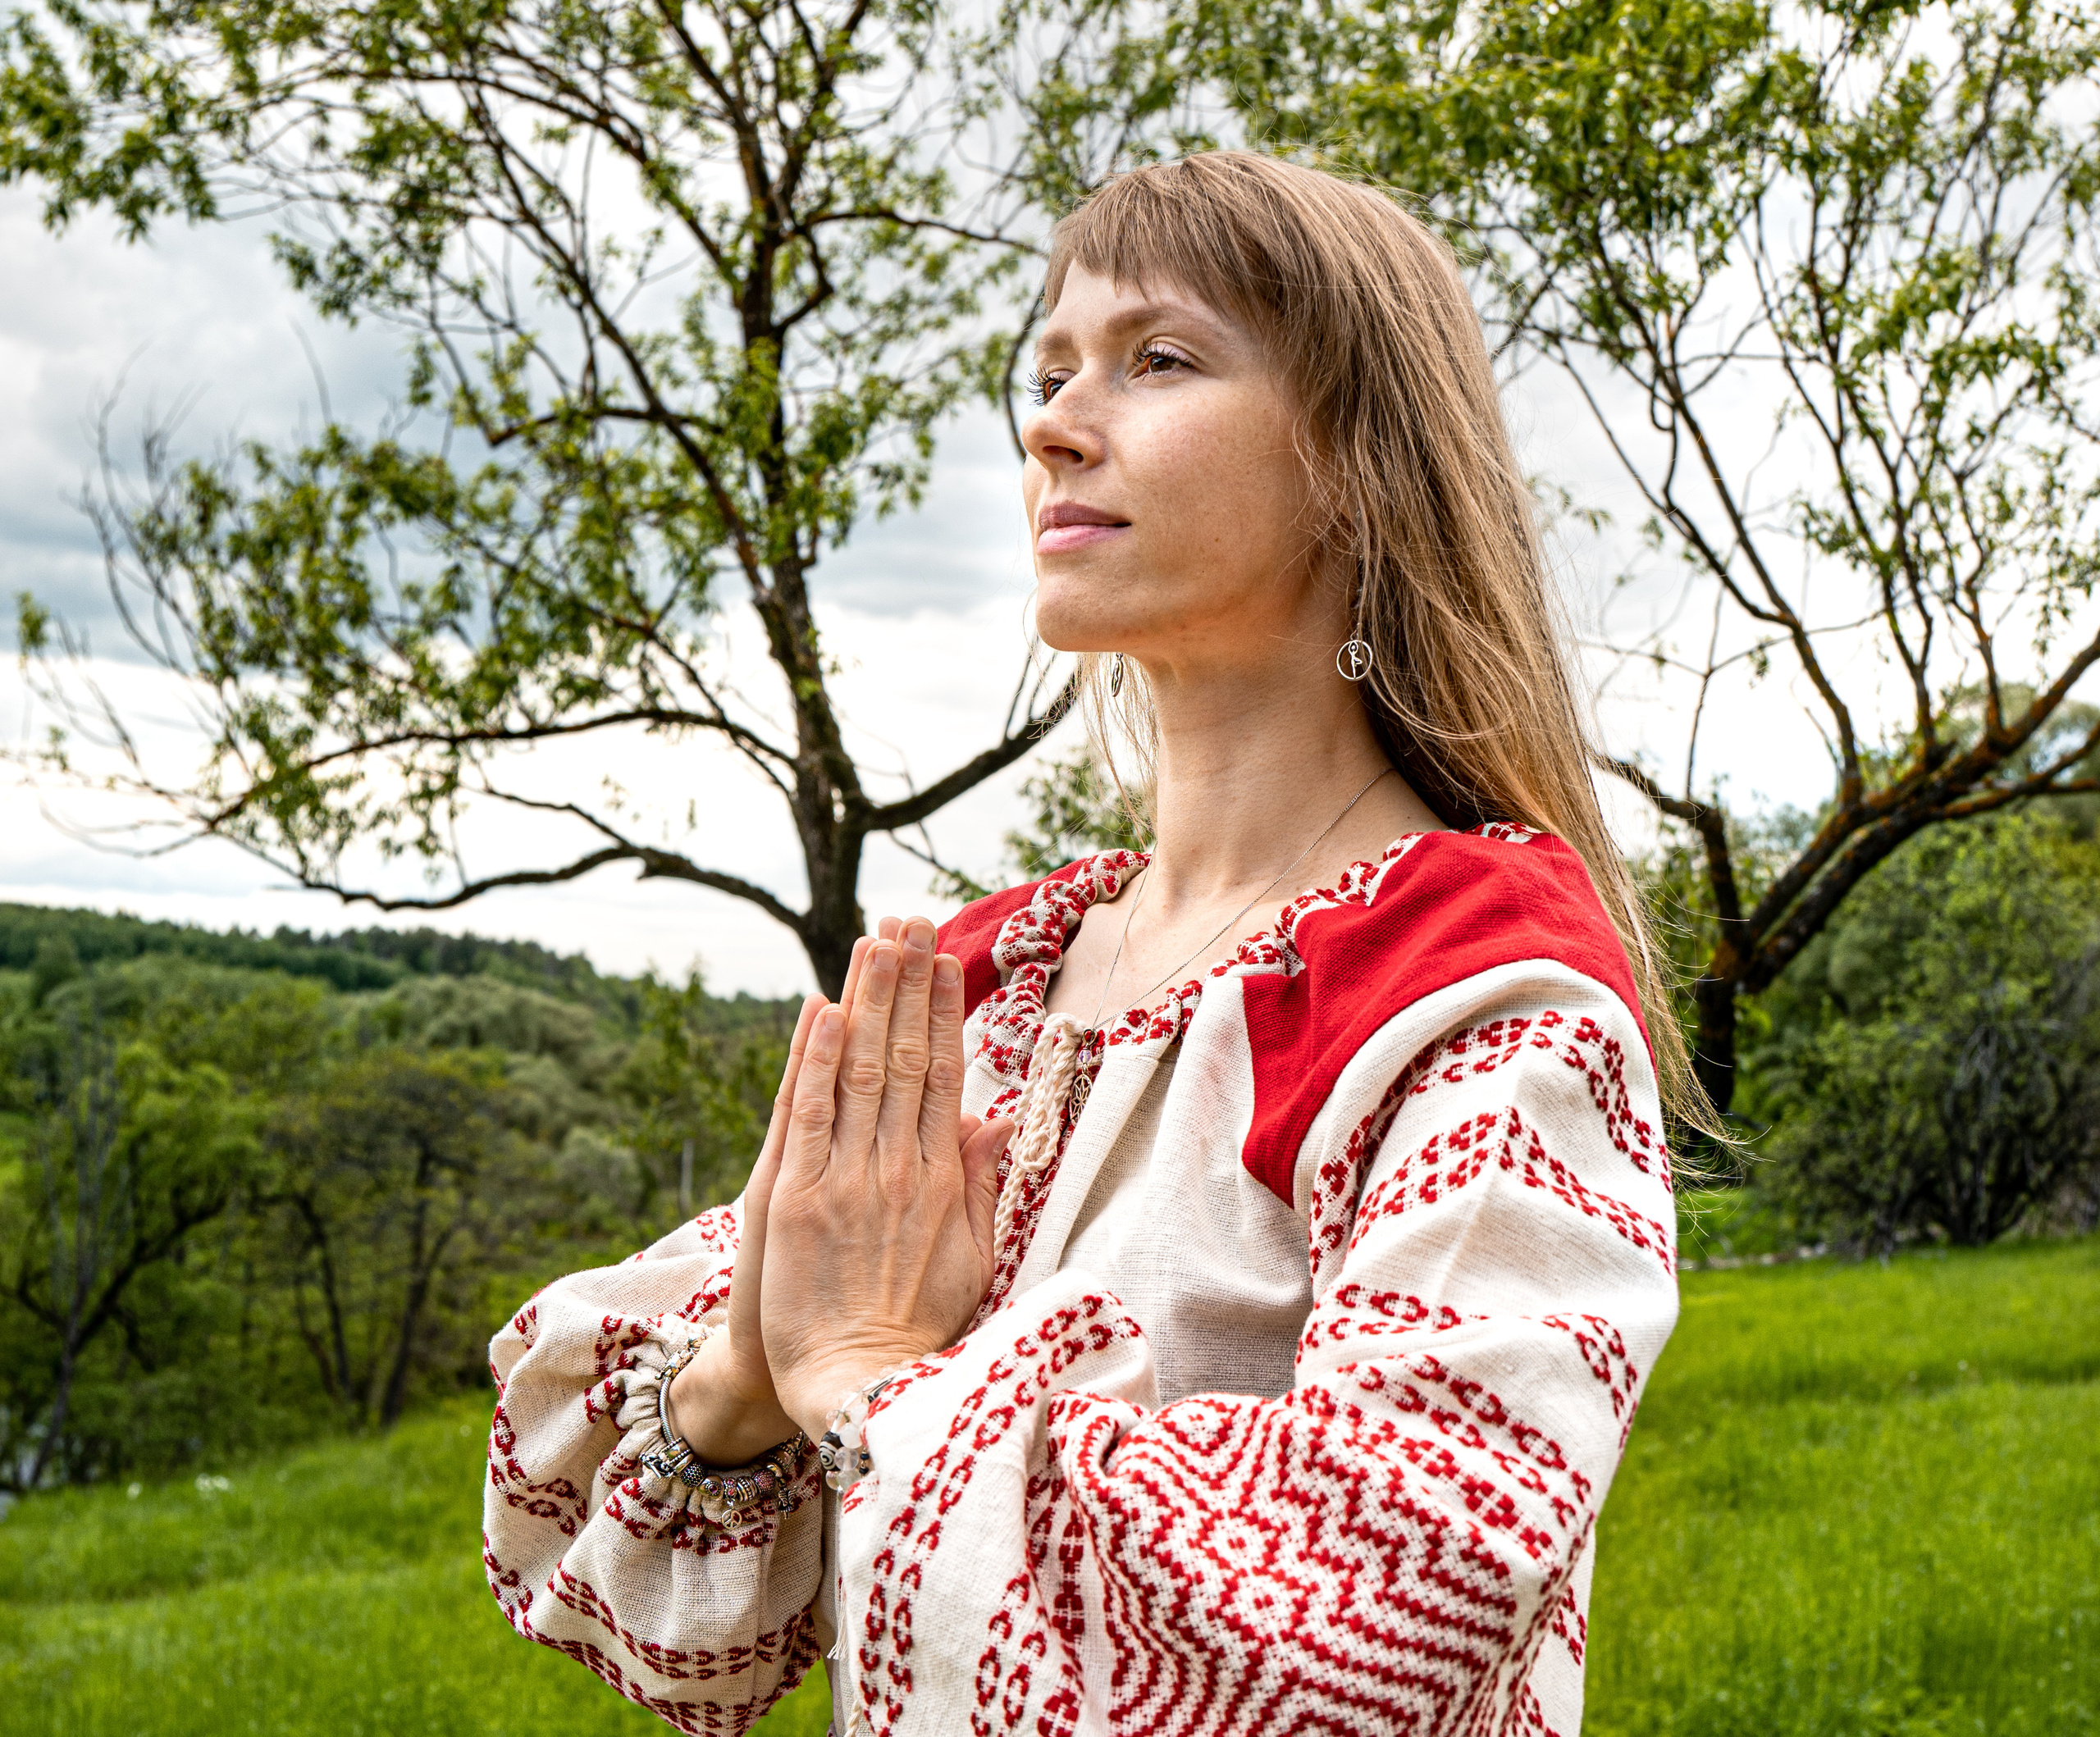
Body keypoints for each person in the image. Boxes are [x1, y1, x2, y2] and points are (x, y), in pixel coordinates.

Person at [482, 151, 1688, 1737]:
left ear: (1357, 457)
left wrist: (858, 1372)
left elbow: (1387, 1602)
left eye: (1157, 358)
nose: (1053, 423)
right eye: (1047, 370)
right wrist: (741, 1382)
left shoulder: (1474, 989)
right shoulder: (999, 989)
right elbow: (612, 1535)